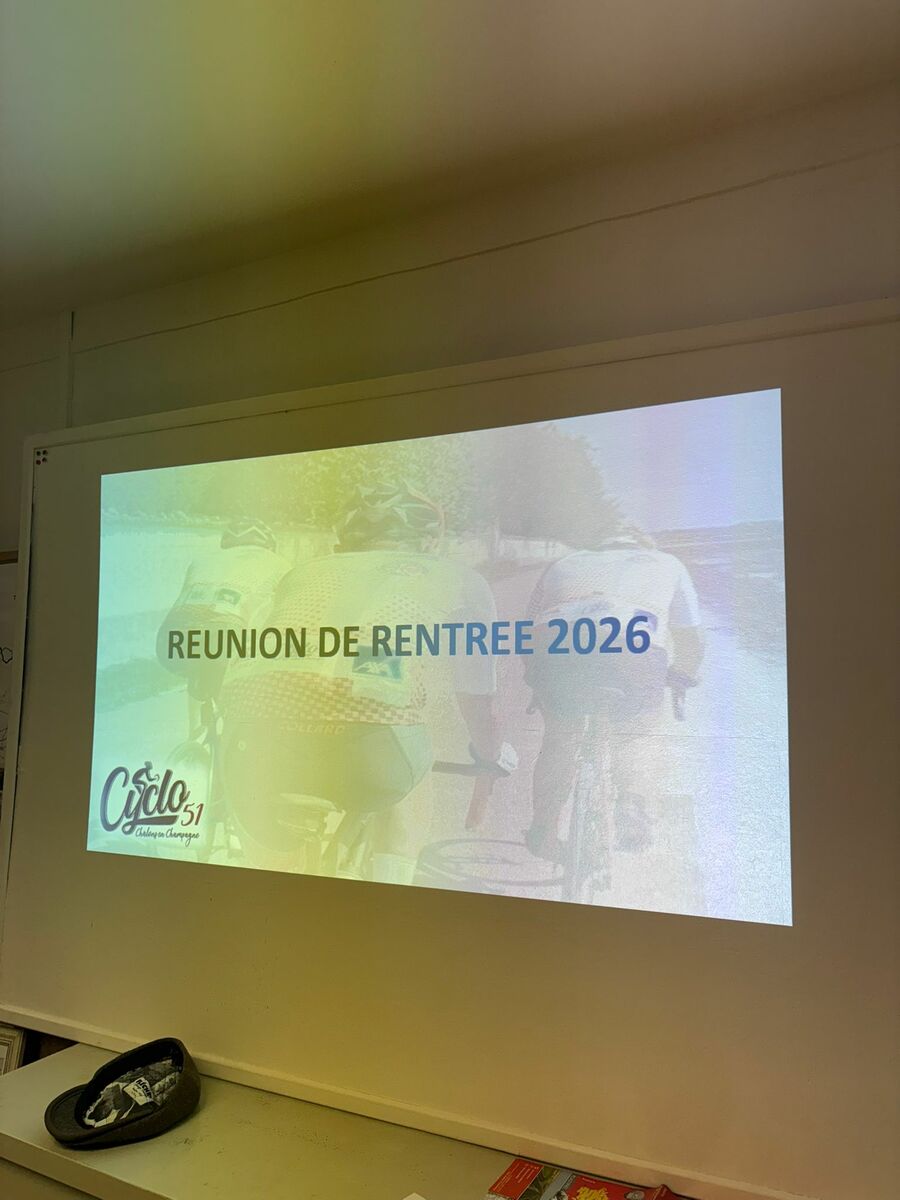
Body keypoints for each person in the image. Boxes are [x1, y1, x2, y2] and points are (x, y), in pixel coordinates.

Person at [219, 483, 507, 881]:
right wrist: (489, 762)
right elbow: (478, 703)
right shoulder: (458, 580)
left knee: (270, 865)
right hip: (372, 752)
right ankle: (390, 887)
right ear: (429, 541)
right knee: (411, 775)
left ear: (345, 539)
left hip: (251, 740)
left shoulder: (301, 572)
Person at [525, 527, 704, 862]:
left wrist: (538, 683)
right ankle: (632, 811)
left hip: (556, 647)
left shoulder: (564, 562)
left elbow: (528, 628)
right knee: (635, 736)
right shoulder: (667, 563)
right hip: (632, 651)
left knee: (559, 738)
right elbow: (691, 642)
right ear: (644, 545)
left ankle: (543, 830)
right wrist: (680, 678)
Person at [156, 518, 291, 736]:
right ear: (269, 544)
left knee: (198, 663)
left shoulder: (202, 560)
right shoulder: (280, 563)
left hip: (169, 639)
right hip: (228, 634)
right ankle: (233, 738)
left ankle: (193, 737)